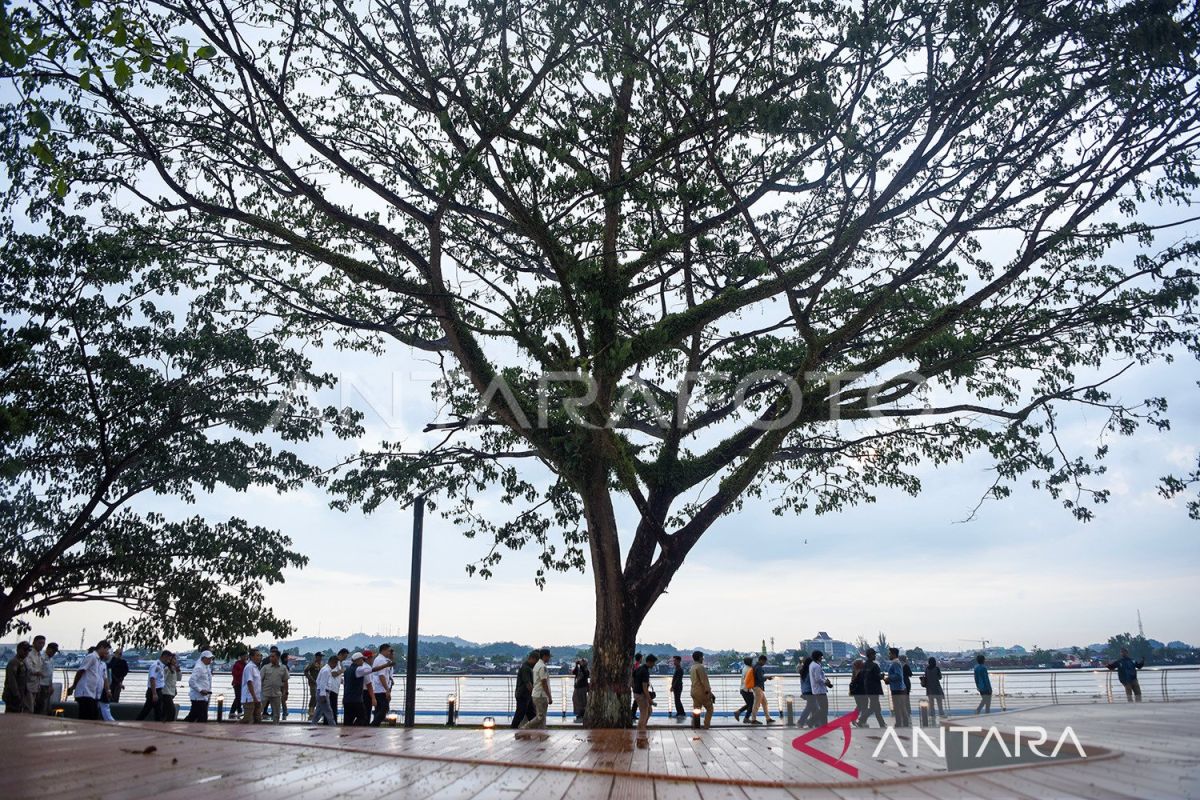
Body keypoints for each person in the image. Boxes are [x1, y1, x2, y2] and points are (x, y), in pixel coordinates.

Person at [66, 640, 110, 721]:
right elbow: (80, 671)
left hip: (92, 693)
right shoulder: (92, 657)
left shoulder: (99, 661)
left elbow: (102, 678)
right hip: (85, 693)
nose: (107, 652)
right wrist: (73, 686)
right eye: (106, 649)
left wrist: (107, 690)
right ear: (101, 647)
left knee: (93, 716)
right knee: (86, 717)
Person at [520, 648, 552, 729]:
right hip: (541, 695)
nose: (549, 658)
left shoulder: (537, 665)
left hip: (536, 694)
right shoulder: (542, 667)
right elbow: (544, 682)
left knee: (542, 717)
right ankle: (524, 728)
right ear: (544, 656)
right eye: (548, 656)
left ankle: (542, 733)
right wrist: (549, 696)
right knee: (540, 717)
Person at [135, 650, 170, 721]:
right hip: (154, 691)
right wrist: (154, 694)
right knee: (148, 710)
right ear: (164, 657)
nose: (168, 661)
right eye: (168, 659)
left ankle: (156, 724)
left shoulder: (161, 666)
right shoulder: (156, 665)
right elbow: (152, 679)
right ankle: (138, 722)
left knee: (156, 711)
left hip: (158, 691)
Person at [855, 649, 886, 728]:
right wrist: (882, 676)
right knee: (874, 707)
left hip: (867, 689)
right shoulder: (874, 666)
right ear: (871, 655)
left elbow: (862, 676)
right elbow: (877, 677)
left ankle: (882, 723)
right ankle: (861, 720)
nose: (875, 656)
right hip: (875, 689)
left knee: (876, 707)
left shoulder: (864, 665)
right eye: (874, 655)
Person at [341, 652, 371, 727]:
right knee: (362, 717)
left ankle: (346, 734)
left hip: (347, 699)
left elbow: (345, 684)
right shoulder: (358, 670)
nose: (363, 661)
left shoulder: (347, 671)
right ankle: (353, 729)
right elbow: (369, 669)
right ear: (358, 660)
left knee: (348, 720)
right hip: (356, 699)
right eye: (362, 660)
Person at [185, 650, 215, 722]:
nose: (210, 660)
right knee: (201, 717)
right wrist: (200, 690)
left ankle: (188, 727)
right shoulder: (199, 668)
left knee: (194, 715)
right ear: (203, 658)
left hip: (202, 697)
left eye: (211, 658)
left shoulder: (206, 667)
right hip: (198, 697)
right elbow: (191, 681)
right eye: (209, 658)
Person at [369, 644, 396, 726]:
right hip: (380, 689)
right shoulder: (382, 660)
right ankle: (373, 725)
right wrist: (387, 690)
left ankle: (375, 726)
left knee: (378, 709)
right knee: (384, 709)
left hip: (377, 688)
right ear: (383, 650)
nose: (389, 653)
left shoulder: (380, 659)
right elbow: (382, 676)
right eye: (388, 651)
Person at [3, 641, 32, 713]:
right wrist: (16, 694)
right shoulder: (13, 662)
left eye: (28, 651)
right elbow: (12, 680)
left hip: (21, 694)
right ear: (18, 650)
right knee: (11, 714)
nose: (26, 652)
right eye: (24, 650)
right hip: (13, 695)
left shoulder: (22, 662)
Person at [261, 650, 288, 723]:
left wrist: (286, 693)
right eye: (270, 656)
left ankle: (275, 728)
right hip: (265, 693)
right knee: (258, 711)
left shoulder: (283, 668)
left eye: (273, 656)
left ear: (278, 657)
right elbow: (259, 680)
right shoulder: (265, 668)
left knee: (276, 714)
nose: (271, 658)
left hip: (276, 694)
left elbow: (285, 681)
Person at [689, 651, 715, 728]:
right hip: (701, 692)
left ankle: (696, 725)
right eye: (702, 657)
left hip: (694, 691)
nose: (703, 658)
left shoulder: (692, 667)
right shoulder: (700, 667)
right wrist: (709, 693)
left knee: (696, 709)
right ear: (700, 657)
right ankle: (706, 725)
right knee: (710, 709)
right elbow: (704, 681)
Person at [311, 653, 339, 725]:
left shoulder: (325, 669)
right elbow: (322, 684)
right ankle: (333, 726)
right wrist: (323, 695)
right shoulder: (326, 671)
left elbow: (318, 681)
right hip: (323, 693)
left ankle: (313, 724)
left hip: (321, 692)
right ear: (333, 662)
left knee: (319, 711)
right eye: (336, 663)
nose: (336, 665)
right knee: (328, 711)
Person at [512, 650, 537, 728]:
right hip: (523, 694)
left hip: (527, 695)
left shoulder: (528, 667)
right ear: (531, 658)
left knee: (531, 713)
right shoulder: (525, 668)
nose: (536, 663)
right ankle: (513, 727)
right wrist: (533, 694)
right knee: (520, 712)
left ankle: (536, 727)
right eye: (536, 660)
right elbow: (527, 683)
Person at [632, 654, 657, 733]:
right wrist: (650, 700)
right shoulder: (645, 672)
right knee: (644, 713)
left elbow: (632, 678)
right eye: (653, 663)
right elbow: (645, 688)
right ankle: (641, 731)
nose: (654, 665)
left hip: (637, 693)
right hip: (641, 695)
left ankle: (643, 727)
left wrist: (634, 688)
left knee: (649, 711)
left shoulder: (639, 668)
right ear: (649, 662)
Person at [885, 648, 910, 727]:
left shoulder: (895, 663)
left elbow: (898, 676)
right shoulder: (897, 663)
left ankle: (899, 723)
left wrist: (889, 678)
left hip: (897, 689)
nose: (889, 655)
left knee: (898, 707)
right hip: (900, 688)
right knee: (902, 707)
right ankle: (904, 723)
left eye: (890, 654)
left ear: (894, 654)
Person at [809, 650, 832, 727]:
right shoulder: (817, 666)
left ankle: (824, 724)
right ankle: (811, 721)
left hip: (816, 690)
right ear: (818, 657)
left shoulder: (812, 665)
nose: (822, 658)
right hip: (820, 690)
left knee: (823, 708)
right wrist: (826, 682)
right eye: (821, 656)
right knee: (824, 709)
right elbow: (818, 679)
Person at [750, 655, 775, 724]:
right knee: (756, 704)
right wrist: (767, 678)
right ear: (761, 660)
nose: (764, 663)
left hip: (756, 687)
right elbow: (760, 678)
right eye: (764, 662)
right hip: (758, 687)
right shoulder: (759, 667)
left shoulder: (755, 666)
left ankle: (768, 718)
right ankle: (753, 719)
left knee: (764, 703)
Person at [240, 651, 264, 724]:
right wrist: (254, 697)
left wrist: (257, 698)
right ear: (251, 657)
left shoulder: (255, 667)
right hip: (250, 699)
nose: (259, 657)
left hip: (256, 698)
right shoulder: (249, 667)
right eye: (257, 655)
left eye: (260, 656)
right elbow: (249, 682)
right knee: (248, 720)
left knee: (257, 720)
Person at [26, 636, 46, 714]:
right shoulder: (29, 654)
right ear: (34, 643)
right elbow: (29, 668)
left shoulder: (39, 655)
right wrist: (38, 673)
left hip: (36, 685)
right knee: (29, 708)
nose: (41, 645)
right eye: (40, 643)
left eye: (43, 643)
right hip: (28, 685)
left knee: (33, 707)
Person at [38, 641, 59, 713]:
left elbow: (50, 674)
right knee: (39, 704)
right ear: (48, 649)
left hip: (47, 685)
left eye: (55, 652)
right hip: (40, 684)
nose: (54, 653)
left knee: (45, 705)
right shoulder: (41, 657)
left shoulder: (51, 660)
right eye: (53, 651)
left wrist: (51, 686)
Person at [329, 648, 350, 721]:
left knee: (332, 707)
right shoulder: (335, 662)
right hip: (332, 689)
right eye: (344, 657)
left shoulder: (339, 663)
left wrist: (342, 680)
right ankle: (331, 722)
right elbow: (333, 673)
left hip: (335, 689)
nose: (345, 659)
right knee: (332, 707)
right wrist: (342, 671)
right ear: (340, 654)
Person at [160, 651, 181, 721]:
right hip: (166, 692)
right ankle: (169, 723)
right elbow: (163, 679)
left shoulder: (174, 669)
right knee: (171, 710)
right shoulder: (167, 669)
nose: (175, 661)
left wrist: (178, 671)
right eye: (174, 659)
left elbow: (179, 679)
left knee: (165, 710)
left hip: (171, 692)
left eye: (176, 659)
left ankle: (163, 723)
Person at [796, 655, 815, 728]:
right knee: (810, 707)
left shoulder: (803, 672)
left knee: (813, 707)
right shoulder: (809, 672)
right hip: (810, 691)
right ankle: (801, 721)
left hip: (805, 691)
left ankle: (812, 722)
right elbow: (812, 682)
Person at [735, 656, 755, 723]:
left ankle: (738, 712)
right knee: (751, 704)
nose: (753, 663)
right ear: (749, 662)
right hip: (747, 690)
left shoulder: (745, 668)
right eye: (752, 661)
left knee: (749, 704)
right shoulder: (749, 669)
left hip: (743, 689)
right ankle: (745, 718)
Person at [229, 651, 247, 719]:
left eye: (246, 656)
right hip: (237, 683)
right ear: (241, 657)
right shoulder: (237, 664)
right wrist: (242, 671)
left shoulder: (246, 664)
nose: (245, 657)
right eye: (244, 656)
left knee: (238, 697)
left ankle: (233, 711)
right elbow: (234, 673)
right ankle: (239, 711)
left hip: (243, 684)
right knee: (238, 697)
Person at [572, 658, 590, 723]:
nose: (581, 663)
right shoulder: (579, 670)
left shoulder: (586, 671)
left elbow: (585, 673)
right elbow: (574, 672)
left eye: (582, 662)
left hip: (582, 688)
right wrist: (576, 665)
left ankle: (582, 715)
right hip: (577, 687)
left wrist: (581, 665)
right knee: (575, 700)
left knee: (582, 702)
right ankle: (578, 714)